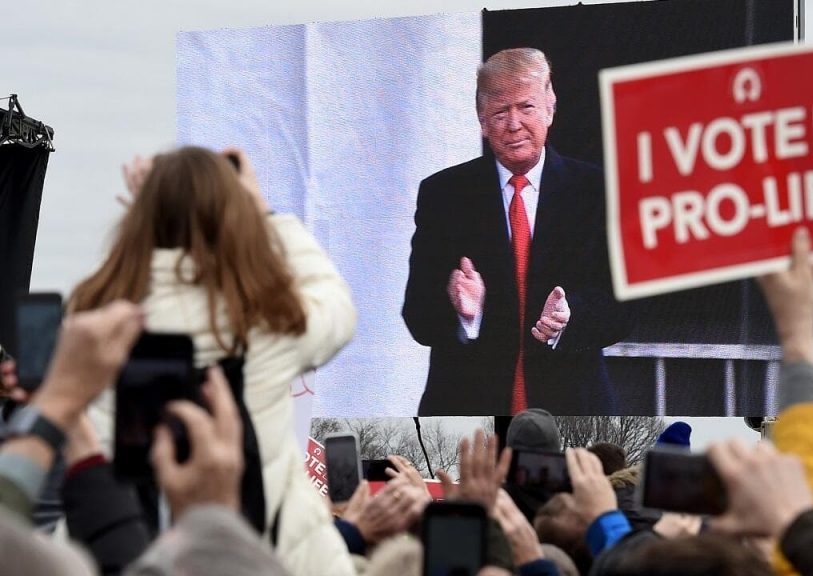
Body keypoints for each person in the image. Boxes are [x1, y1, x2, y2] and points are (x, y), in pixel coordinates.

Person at [67, 147, 358, 576]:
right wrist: (265, 216)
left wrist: (149, 218)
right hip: (267, 555)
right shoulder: (266, 320)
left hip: (133, 550)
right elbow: (337, 308)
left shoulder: (97, 319)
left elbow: (121, 279)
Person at [402, 47, 632, 415]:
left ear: (550, 108)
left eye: (526, 107)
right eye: (499, 112)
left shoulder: (598, 190)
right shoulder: (443, 195)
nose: (513, 124)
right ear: (481, 122)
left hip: (573, 408)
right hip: (466, 409)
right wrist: (463, 313)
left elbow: (624, 306)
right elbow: (417, 314)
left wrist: (571, 317)